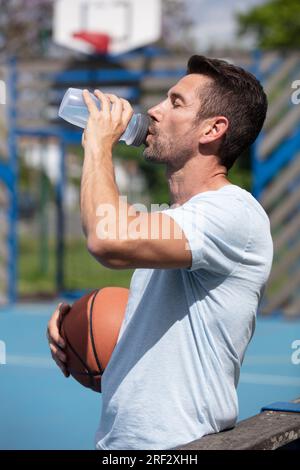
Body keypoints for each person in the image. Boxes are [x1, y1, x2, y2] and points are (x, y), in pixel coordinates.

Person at [47, 55, 273, 450]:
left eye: (175, 102)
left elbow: (106, 238)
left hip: (184, 449)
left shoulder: (233, 213)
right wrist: (80, 330)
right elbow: (117, 232)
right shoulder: (172, 220)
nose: (153, 110)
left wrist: (99, 146)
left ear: (213, 129)